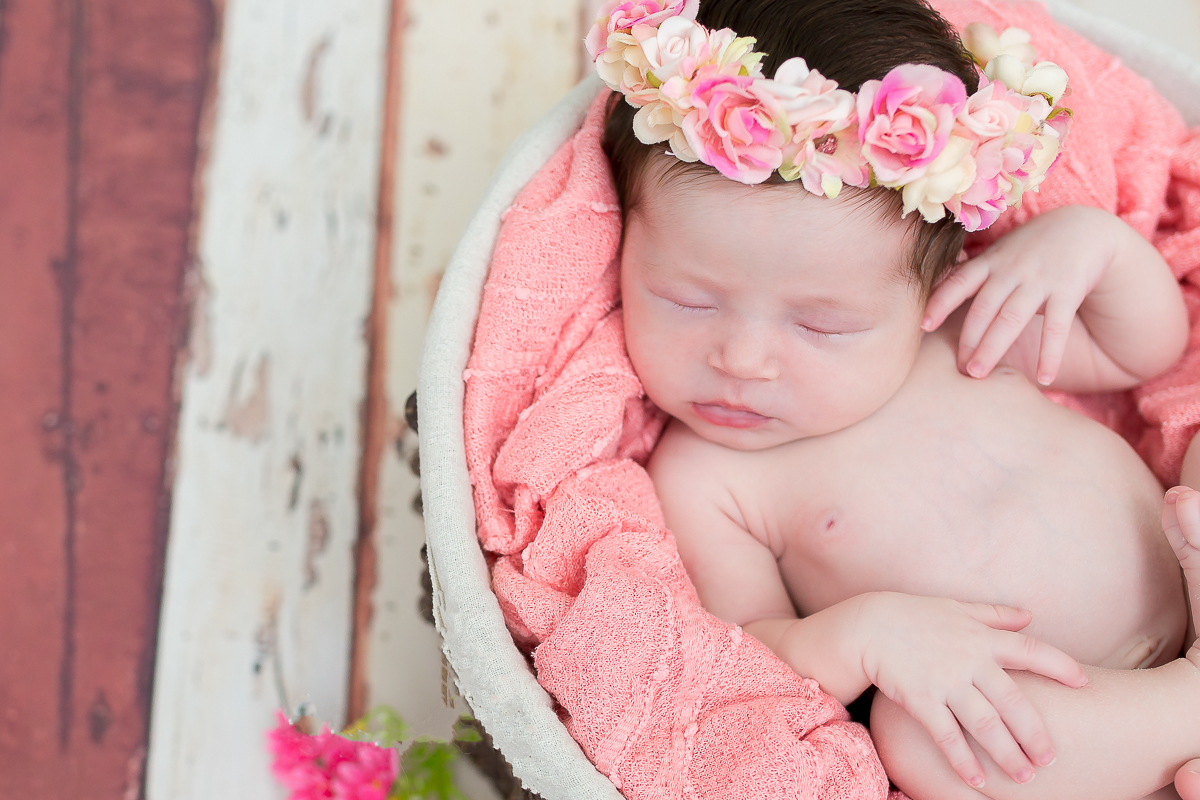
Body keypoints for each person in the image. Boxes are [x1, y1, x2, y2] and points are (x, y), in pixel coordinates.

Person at [589, 0, 1200, 797]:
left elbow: (1144, 349)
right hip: (1062, 715)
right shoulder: (709, 476)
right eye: (687, 301)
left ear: (927, 290)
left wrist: (1092, 244)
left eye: (823, 325)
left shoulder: (953, 330)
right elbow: (746, 650)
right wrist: (863, 637)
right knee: (920, 738)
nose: (741, 359)